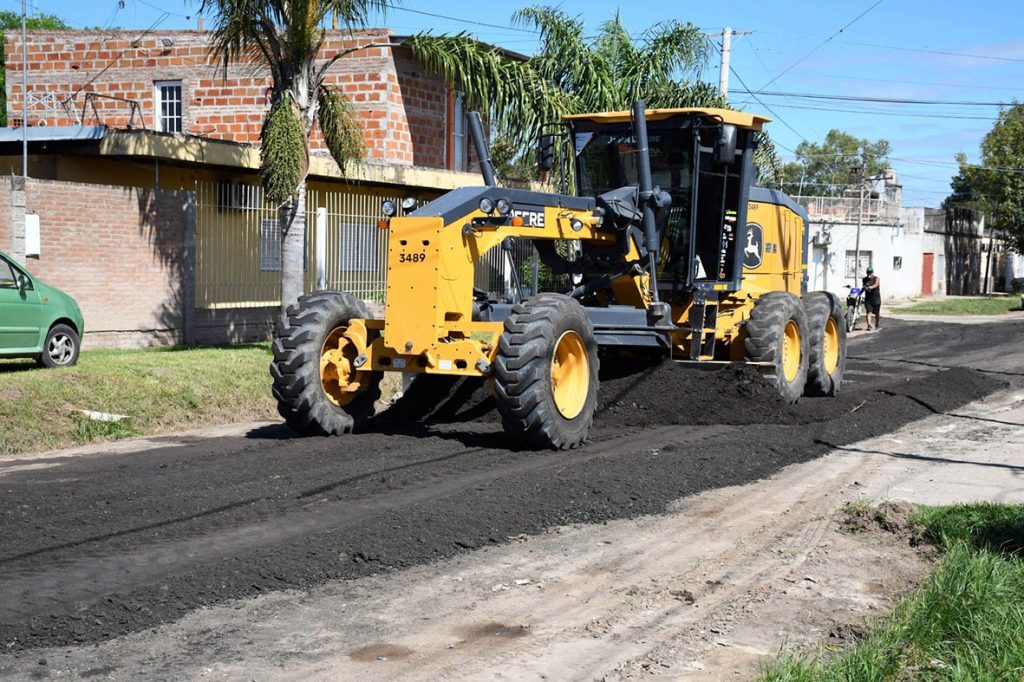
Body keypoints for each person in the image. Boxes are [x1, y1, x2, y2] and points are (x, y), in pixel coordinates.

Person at [862, 266, 882, 330]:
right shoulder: (864, 279)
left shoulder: (877, 278)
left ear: (873, 273)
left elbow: (876, 284)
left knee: (877, 313)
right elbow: (864, 286)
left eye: (870, 273)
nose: (869, 274)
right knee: (868, 312)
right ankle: (869, 325)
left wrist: (870, 287)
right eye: (868, 273)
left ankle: (877, 323)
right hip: (868, 298)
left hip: (876, 298)